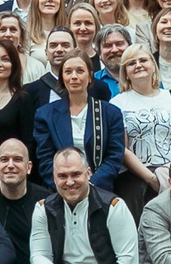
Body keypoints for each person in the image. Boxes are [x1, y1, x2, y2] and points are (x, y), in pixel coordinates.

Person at [110, 46, 171, 214]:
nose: (138, 65)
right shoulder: (118, 103)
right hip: (137, 181)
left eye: (143, 60)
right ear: (125, 72)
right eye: (132, 63)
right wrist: (152, 178)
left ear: (153, 65)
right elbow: (122, 148)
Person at [34, 46, 126, 193]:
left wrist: (91, 185)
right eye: (68, 72)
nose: (74, 76)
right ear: (62, 78)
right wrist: (66, 185)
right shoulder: (45, 115)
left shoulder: (110, 113)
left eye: (80, 71)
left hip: (100, 191)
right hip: (60, 191)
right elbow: (45, 160)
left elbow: (114, 156)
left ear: (90, 76)